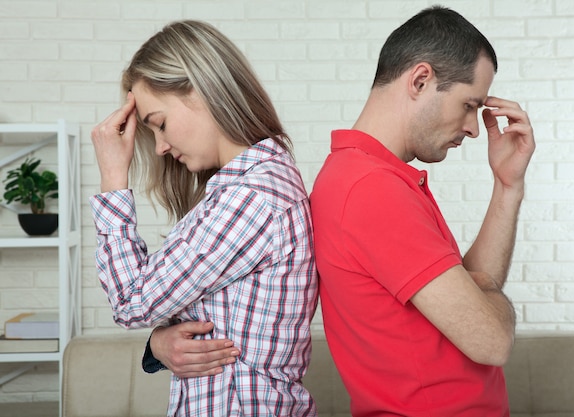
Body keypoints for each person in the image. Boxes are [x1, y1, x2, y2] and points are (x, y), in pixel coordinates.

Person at [309, 6, 535, 417]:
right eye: (469, 105)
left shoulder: (375, 178)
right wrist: (490, 302)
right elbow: (492, 341)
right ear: (420, 80)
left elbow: (474, 291)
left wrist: (508, 186)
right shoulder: (371, 190)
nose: (472, 127)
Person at [89, 20, 318, 417]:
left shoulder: (251, 198)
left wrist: (113, 177)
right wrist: (159, 343)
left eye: (159, 124)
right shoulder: (251, 187)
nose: (159, 147)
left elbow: (131, 300)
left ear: (201, 89)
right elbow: (196, 311)